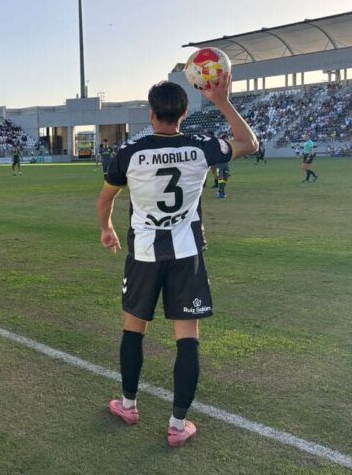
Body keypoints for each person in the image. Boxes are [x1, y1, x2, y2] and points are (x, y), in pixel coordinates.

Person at [97, 76, 257, 448]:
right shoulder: (201, 146)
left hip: (144, 255)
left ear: (151, 114)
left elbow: (105, 200)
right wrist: (221, 101)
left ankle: (128, 405)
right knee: (187, 340)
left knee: (133, 330)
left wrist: (106, 228)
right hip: (186, 255)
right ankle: (177, 424)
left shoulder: (129, 152)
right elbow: (250, 143)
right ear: (184, 113)